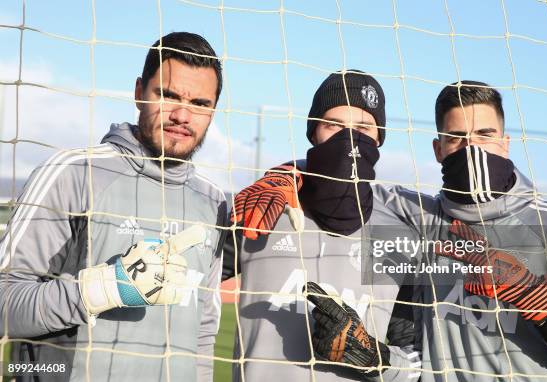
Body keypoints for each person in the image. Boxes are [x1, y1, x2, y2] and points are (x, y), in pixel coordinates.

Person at [0, 32, 227, 381]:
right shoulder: (73, 173)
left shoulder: (214, 202)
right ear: (139, 93)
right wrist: (104, 288)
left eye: (200, 103)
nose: (183, 114)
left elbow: (204, 332)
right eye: (167, 95)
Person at [380, 80, 547, 380]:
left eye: (484, 135)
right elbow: (352, 191)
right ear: (438, 149)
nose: (472, 148)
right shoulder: (419, 220)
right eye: (456, 138)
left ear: (505, 142)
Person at [226, 70, 422, 381]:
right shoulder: (266, 205)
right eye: (333, 125)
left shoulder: (397, 230)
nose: (349, 140)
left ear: (379, 138)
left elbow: (416, 360)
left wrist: (376, 357)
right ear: (313, 132)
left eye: (363, 127)